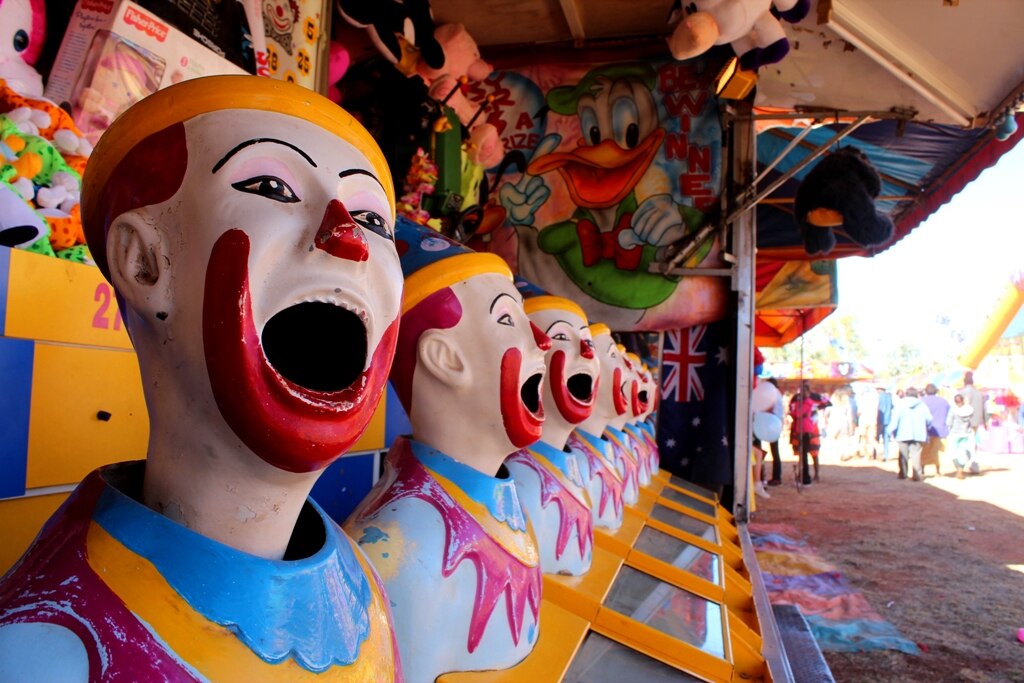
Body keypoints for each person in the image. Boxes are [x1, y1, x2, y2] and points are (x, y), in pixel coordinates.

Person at [0, 76, 405, 678]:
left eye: (373, 219)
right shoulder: (44, 650)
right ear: (144, 264)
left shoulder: (365, 590)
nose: (346, 236)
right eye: (270, 186)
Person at [888, 387, 933, 481]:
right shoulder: (922, 405)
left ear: (906, 394)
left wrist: (890, 430)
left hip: (902, 433)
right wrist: (927, 428)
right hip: (918, 434)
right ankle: (917, 475)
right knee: (916, 454)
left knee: (903, 455)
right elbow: (929, 419)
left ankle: (903, 474)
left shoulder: (900, 404)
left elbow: (895, 419)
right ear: (917, 394)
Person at [789, 382, 828, 486]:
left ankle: (814, 474)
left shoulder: (813, 398)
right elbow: (792, 410)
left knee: (812, 451)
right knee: (802, 453)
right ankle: (803, 474)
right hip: (801, 426)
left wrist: (814, 411)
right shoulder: (798, 399)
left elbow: (827, 403)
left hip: (809, 427)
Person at [751, 376, 784, 496]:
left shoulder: (774, 396)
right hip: (767, 426)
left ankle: (771, 478)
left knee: (765, 452)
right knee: (762, 453)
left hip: (770, 426)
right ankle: (762, 478)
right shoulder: (775, 396)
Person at [920, 383, 950, 476]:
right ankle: (937, 470)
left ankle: (922, 469)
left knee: (924, 451)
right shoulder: (943, 402)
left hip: (925, 431)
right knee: (936, 451)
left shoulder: (921, 401)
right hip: (940, 430)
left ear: (926, 391)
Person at [946, 393, 976, 478]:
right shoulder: (969, 410)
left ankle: (958, 468)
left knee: (953, 451)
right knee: (963, 451)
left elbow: (949, 422)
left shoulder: (953, 410)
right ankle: (961, 468)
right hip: (966, 432)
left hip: (955, 433)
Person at [877, 386, 894, 461]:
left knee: (876, 437)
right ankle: (886, 455)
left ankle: (876, 454)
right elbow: (892, 407)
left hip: (879, 419)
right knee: (886, 438)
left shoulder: (878, 397)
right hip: (888, 419)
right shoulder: (889, 397)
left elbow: (878, 408)